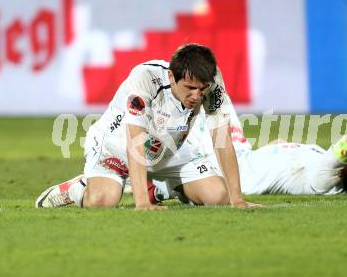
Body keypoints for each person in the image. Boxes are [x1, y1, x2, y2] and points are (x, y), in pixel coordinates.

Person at [36, 44, 258, 210]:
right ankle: (79, 187)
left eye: (202, 90)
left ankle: (158, 189)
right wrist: (141, 202)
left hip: (170, 151)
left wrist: (237, 198)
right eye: (189, 88)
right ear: (171, 76)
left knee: (219, 196)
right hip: (115, 148)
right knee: (103, 201)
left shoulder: (213, 83)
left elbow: (222, 138)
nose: (197, 96)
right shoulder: (145, 78)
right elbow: (135, 140)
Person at [148, 106, 347, 200]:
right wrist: (277, 148)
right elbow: (280, 147)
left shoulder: (324, 179)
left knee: (180, 111)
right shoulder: (327, 166)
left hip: (230, 167)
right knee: (212, 94)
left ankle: (146, 179)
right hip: (243, 153)